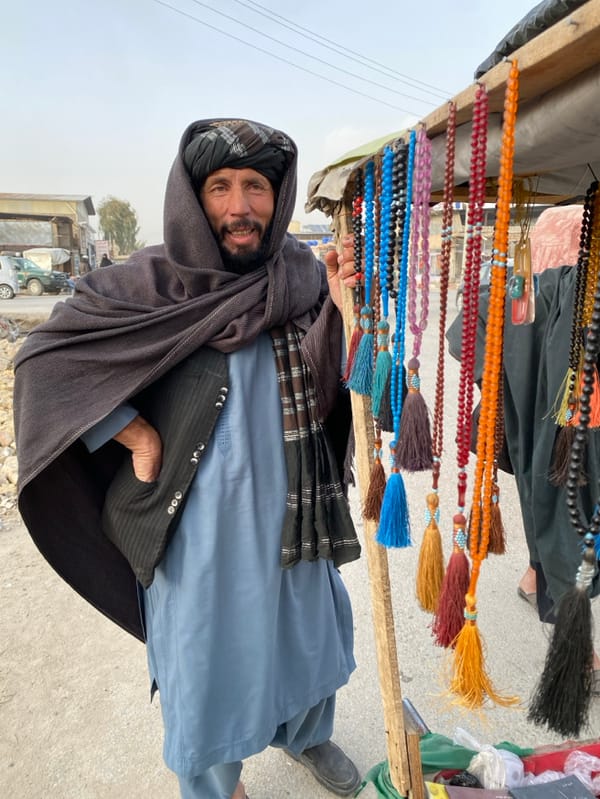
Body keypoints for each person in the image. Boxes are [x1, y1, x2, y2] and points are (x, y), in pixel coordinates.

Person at [13, 118, 362, 799]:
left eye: (256, 186)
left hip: (296, 509)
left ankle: (306, 734)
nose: (239, 206)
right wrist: (134, 435)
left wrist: (343, 307)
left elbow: (326, 378)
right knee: (206, 665)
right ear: (193, 197)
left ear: (277, 195)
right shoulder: (150, 282)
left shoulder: (297, 274)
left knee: (307, 631)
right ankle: (215, 784)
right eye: (221, 186)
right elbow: (47, 364)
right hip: (199, 528)